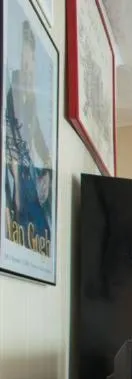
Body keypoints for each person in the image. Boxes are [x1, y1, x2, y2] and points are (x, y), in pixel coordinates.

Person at [5, 21, 53, 250]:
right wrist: (16, 196)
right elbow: (12, 143)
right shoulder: (11, 92)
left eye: (31, 63)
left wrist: (48, 170)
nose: (27, 69)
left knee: (43, 228)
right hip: (19, 176)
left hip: (30, 176)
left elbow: (41, 142)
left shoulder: (32, 98)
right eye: (24, 63)